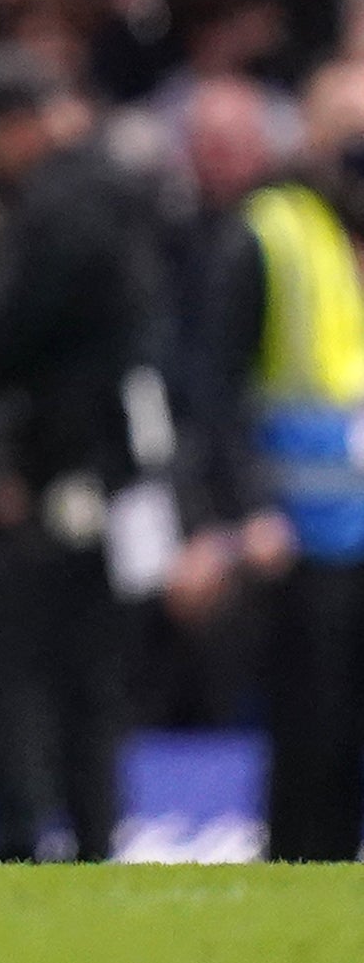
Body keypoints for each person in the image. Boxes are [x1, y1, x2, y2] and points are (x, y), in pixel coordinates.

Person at [0, 63, 179, 861]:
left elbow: (16, 323)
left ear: (15, 126)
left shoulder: (65, 200)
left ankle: (26, 832)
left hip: (75, 463)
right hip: (119, 461)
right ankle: (92, 840)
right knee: (89, 670)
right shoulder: (113, 190)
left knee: (2, 657)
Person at [182, 60, 364, 859]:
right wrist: (243, 509)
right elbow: (213, 389)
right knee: (314, 743)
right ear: (311, 135)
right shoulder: (270, 230)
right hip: (307, 537)